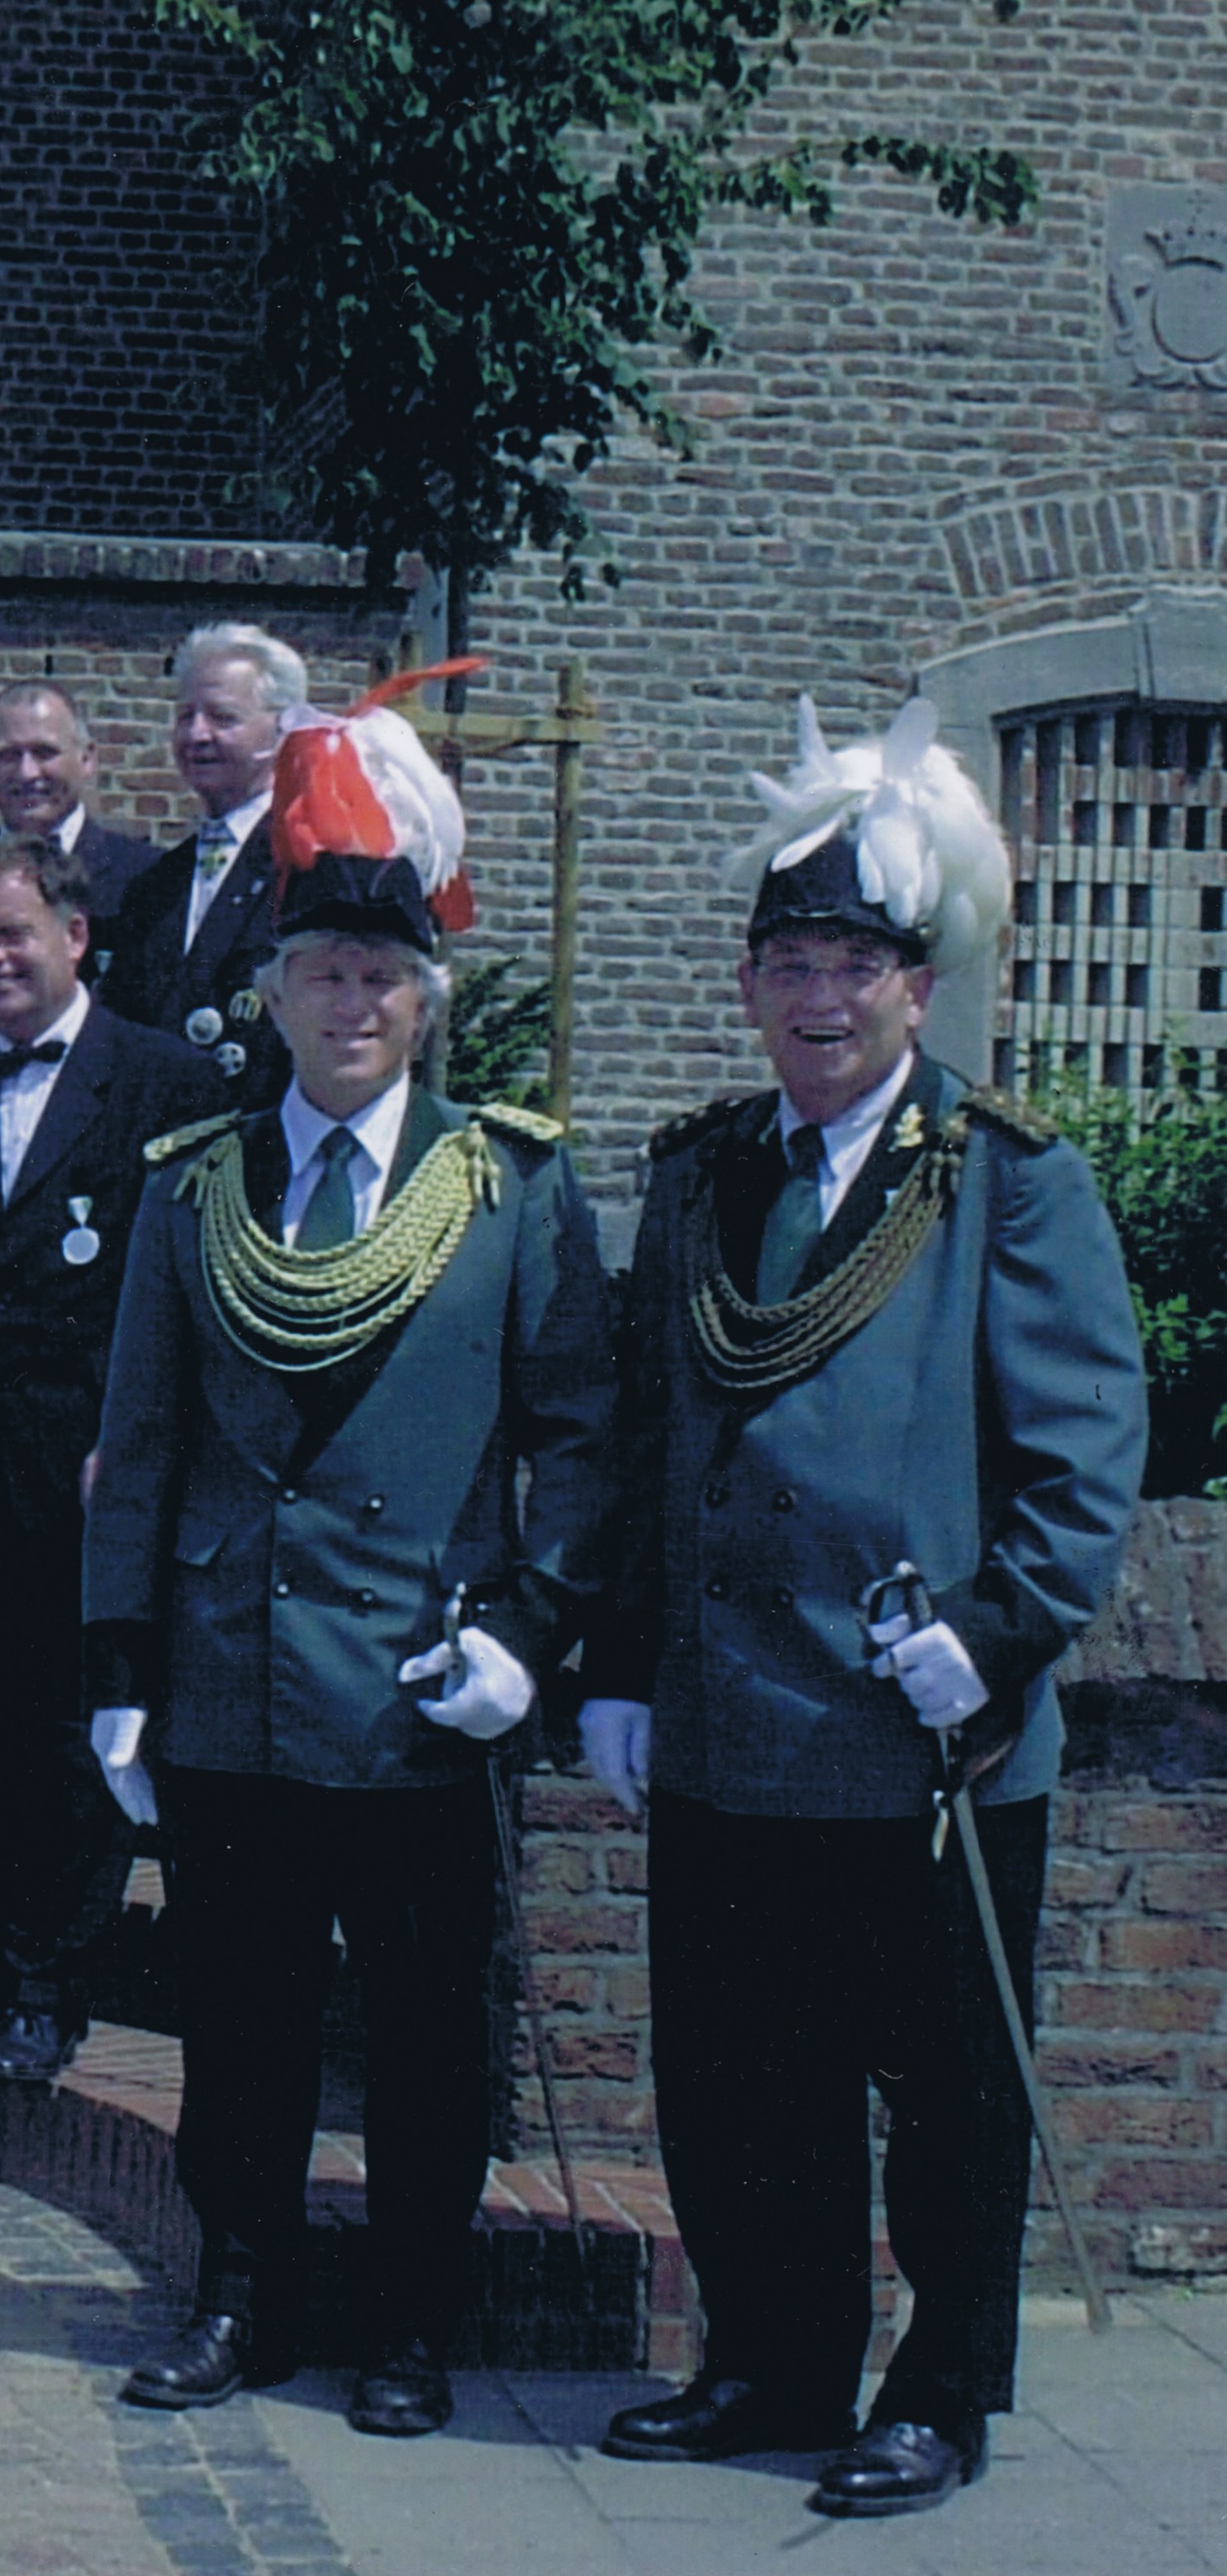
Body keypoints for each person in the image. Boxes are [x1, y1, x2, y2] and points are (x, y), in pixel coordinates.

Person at [587, 700, 1145, 2519]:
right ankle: (772, 2359)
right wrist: (618, 1660)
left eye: (854, 966)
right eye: (789, 964)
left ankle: (942, 2392)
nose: (818, 999)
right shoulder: (702, 1171)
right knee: (743, 2071)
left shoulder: (1006, 1178)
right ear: (748, 985)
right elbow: (649, 1433)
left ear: (918, 986)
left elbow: (1082, 1451)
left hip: (922, 1729)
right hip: (732, 1712)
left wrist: (994, 1628)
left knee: (948, 2090)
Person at [81, 677, 610, 2439]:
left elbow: (579, 1437)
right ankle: (237, 2294)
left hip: (414, 1690)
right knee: (239, 2019)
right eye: (322, 973)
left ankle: (407, 2322)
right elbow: (141, 1442)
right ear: (275, 992)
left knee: (424, 2028)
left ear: (424, 1000)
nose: (352, 1004)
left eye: (383, 977)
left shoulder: (508, 1186)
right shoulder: (195, 1184)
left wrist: (529, 1631)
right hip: (231, 1679)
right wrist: (119, 1668)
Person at [0, 838, 221, 2080]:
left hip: (95, 1469)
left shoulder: (169, 1082)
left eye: (13, 934)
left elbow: (192, 1286)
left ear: (76, 936)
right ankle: (16, 1958)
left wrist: (141, 1446)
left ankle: (53, 1983)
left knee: (84, 1736)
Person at [95, 622, 302, 1099]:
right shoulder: (156, 885)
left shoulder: (308, 863)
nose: (196, 734)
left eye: (222, 718)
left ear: (283, 729)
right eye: (185, 716)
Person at [0, 680, 160, 914]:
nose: (27, 772)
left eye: (44, 753)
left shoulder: (146, 876)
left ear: (86, 759)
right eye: (9, 755)